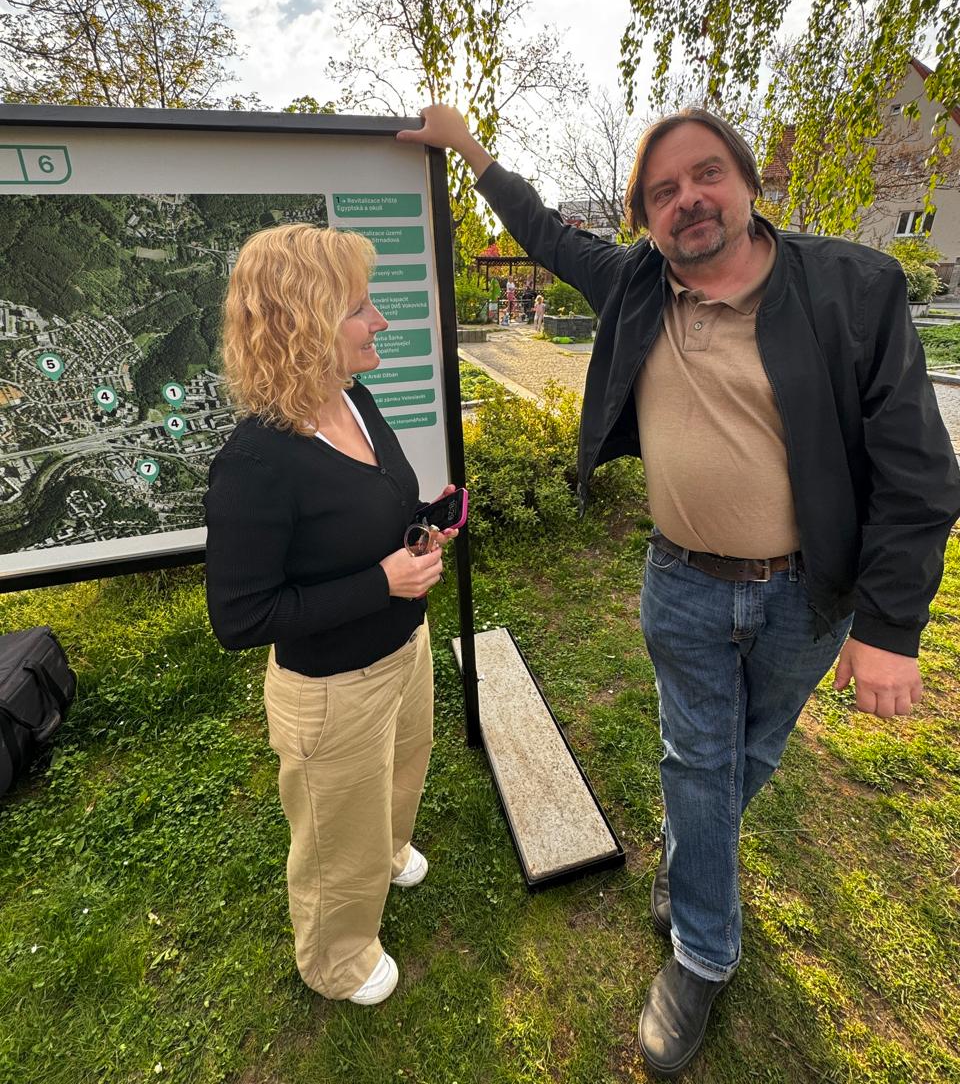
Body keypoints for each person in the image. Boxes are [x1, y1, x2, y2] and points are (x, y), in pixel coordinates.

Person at [397, 105, 960, 1075]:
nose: (687, 199)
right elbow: (546, 234)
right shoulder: (635, 281)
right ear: (646, 216)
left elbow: (918, 472)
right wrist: (471, 151)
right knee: (700, 760)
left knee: (747, 755)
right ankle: (703, 952)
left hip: (809, 595)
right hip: (683, 586)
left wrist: (892, 628)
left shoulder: (852, 287)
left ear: (746, 182)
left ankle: (689, 849)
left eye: (705, 174)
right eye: (662, 191)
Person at [203, 223, 459, 1007]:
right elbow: (240, 617)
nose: (379, 320)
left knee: (402, 774)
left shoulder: (356, 398)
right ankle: (336, 959)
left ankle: (389, 852)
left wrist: (422, 523)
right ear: (303, 325)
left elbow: (369, 511)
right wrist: (383, 582)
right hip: (331, 689)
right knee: (335, 837)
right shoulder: (255, 462)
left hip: (405, 650)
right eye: (359, 308)